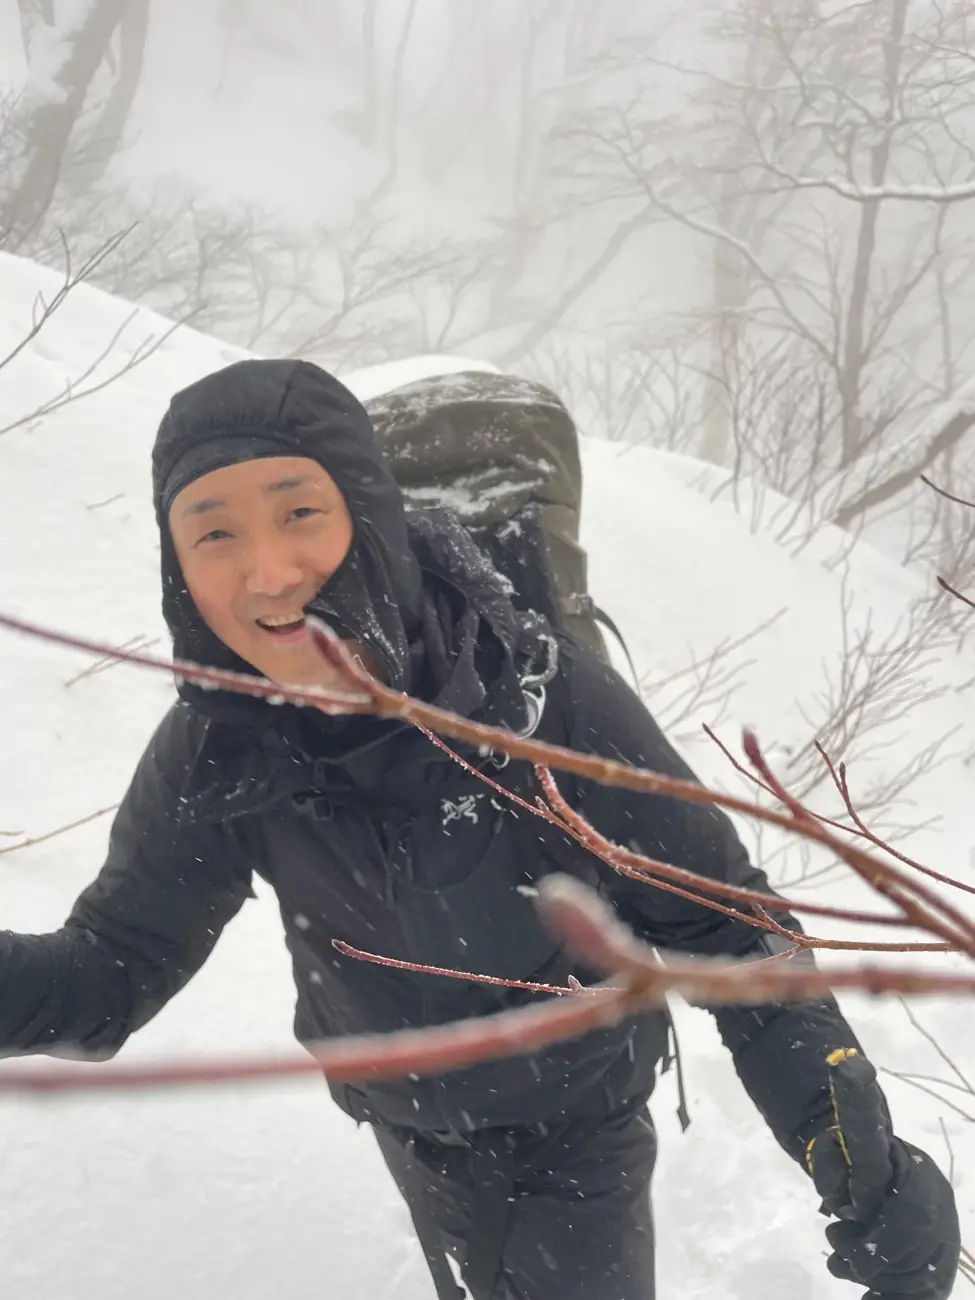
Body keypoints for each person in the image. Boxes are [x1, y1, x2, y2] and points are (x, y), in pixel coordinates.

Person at [0, 359, 959, 1300]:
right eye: (213, 533)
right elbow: (111, 969)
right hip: (402, 1118)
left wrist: (859, 1157)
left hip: (574, 1128)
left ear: (366, 516)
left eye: (299, 513)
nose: (268, 573)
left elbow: (731, 934)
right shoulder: (222, 742)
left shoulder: (542, 702)